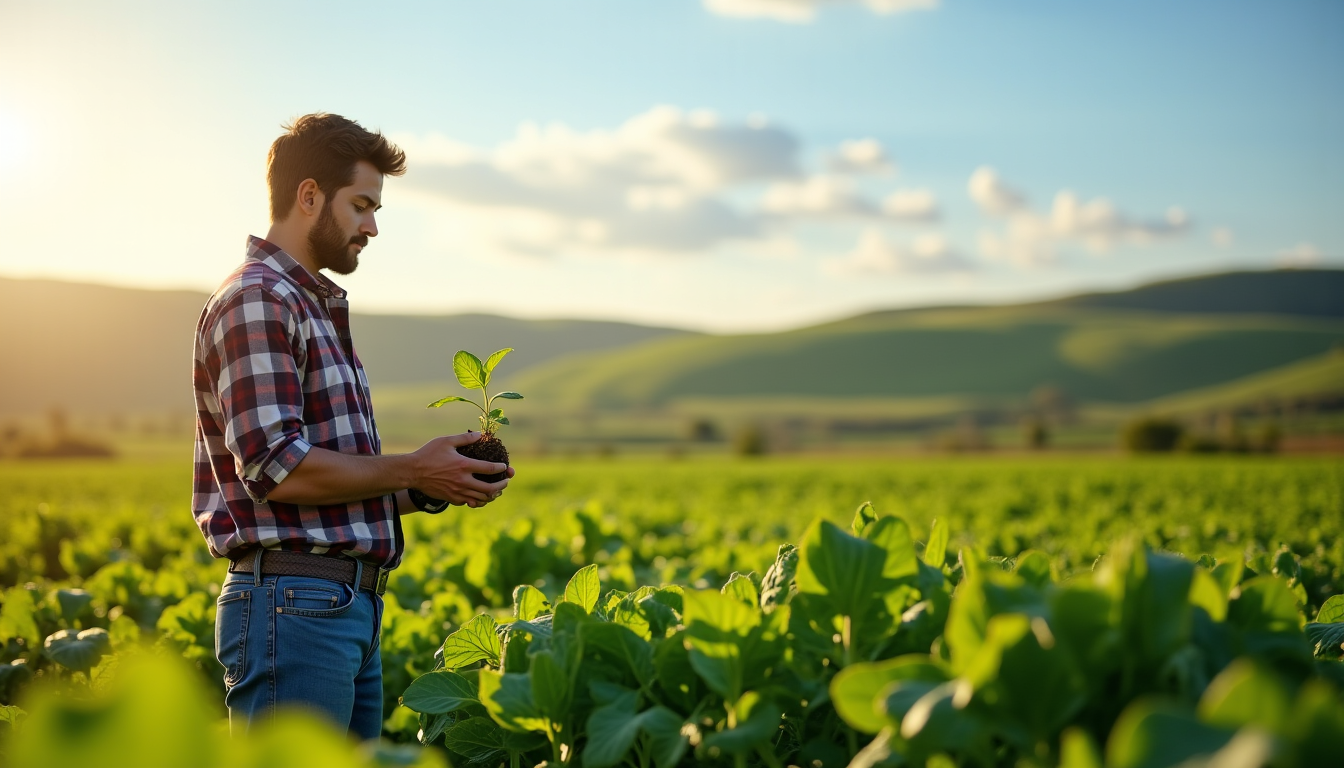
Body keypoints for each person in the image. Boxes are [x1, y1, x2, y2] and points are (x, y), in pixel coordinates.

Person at [191, 113, 511, 739]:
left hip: (340, 609)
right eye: (362, 205)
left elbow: (333, 485)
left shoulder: (309, 305)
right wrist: (414, 465)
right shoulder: (259, 299)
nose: (372, 225)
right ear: (308, 196)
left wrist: (428, 486)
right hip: (294, 606)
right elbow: (274, 467)